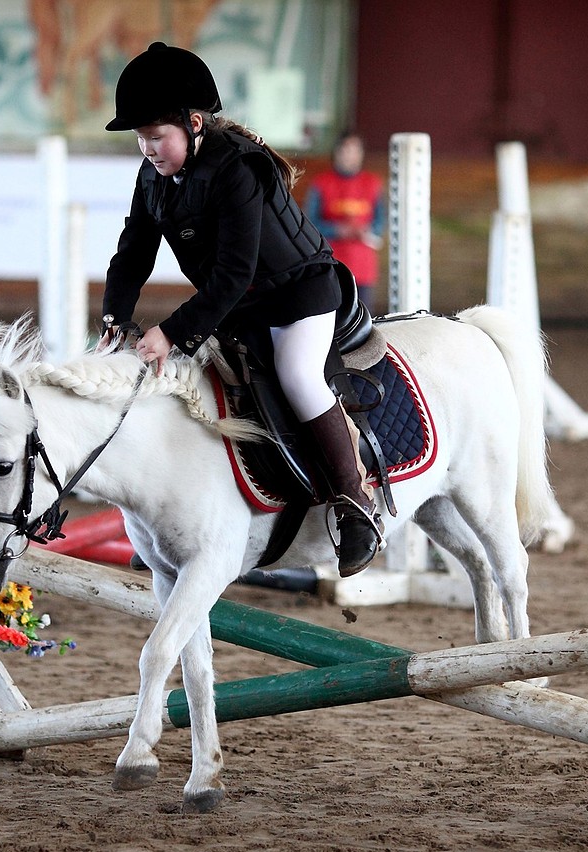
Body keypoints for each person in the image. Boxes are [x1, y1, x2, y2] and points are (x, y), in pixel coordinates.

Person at [99, 42, 382, 577]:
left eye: (156, 136)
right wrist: (116, 317)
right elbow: (132, 251)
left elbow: (234, 273)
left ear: (195, 123)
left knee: (298, 376)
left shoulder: (238, 169)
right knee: (198, 383)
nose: (147, 149)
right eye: (140, 138)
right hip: (240, 305)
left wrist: (171, 331)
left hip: (299, 296)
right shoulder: (152, 177)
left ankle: (355, 504)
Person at [304, 132, 385, 313]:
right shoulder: (321, 183)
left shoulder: (372, 183)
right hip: (331, 265)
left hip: (363, 267)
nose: (349, 155)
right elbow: (309, 224)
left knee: (364, 320)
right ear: (337, 152)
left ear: (361, 154)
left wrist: (367, 231)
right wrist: (337, 230)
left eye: (355, 150)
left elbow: (380, 223)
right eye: (345, 150)